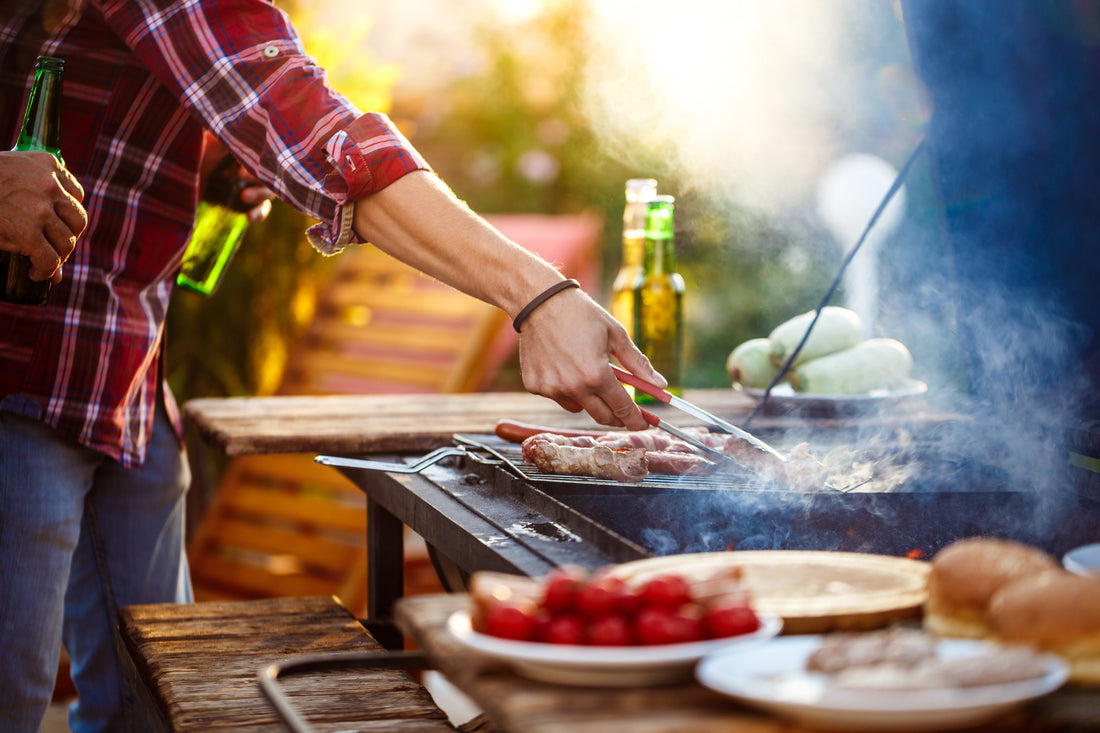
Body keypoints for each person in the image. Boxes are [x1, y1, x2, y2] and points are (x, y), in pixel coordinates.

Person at [0, 3, 662, 731]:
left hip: (121, 370)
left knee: (156, 707)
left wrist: (211, 163)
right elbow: (315, 128)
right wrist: (537, 295)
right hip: (23, 366)